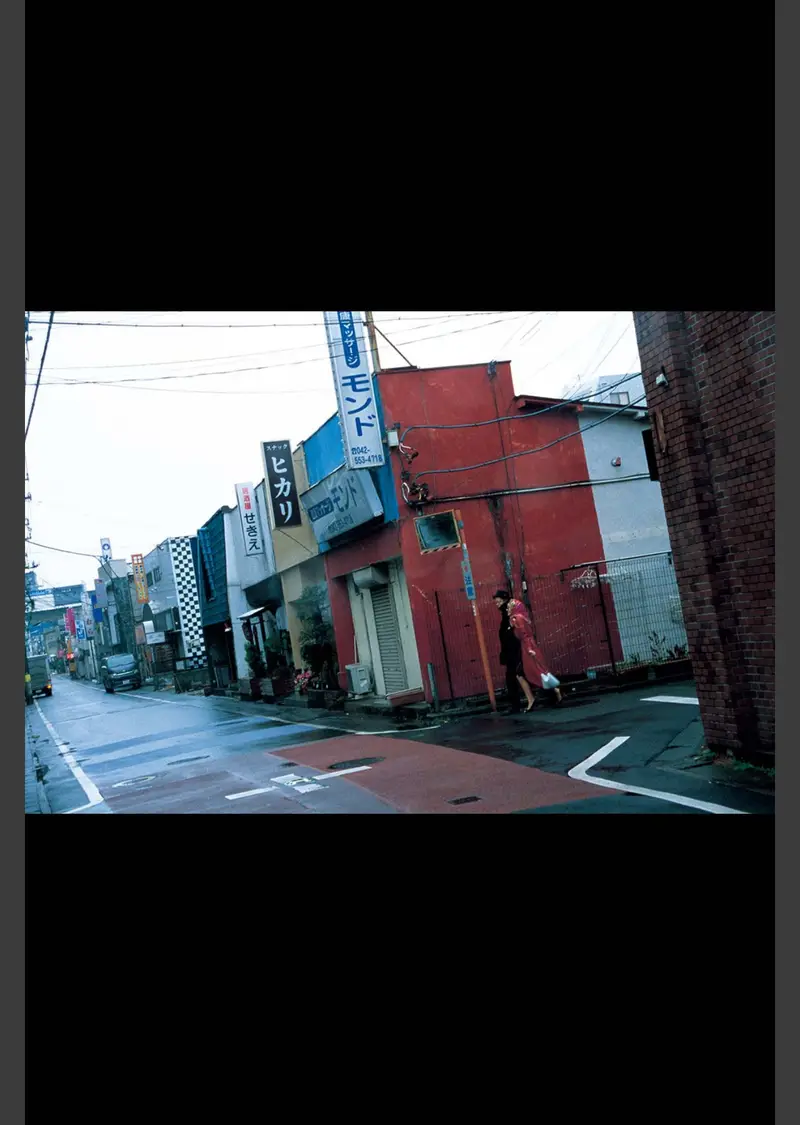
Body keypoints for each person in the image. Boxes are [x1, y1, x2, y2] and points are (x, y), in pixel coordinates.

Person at [493, 590, 562, 713]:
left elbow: (522, 635)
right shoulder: (514, 616)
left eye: (499, 602)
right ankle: (550, 693)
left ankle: (546, 694)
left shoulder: (514, 618)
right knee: (529, 673)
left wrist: (528, 648)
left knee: (525, 674)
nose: (499, 605)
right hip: (519, 650)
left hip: (520, 650)